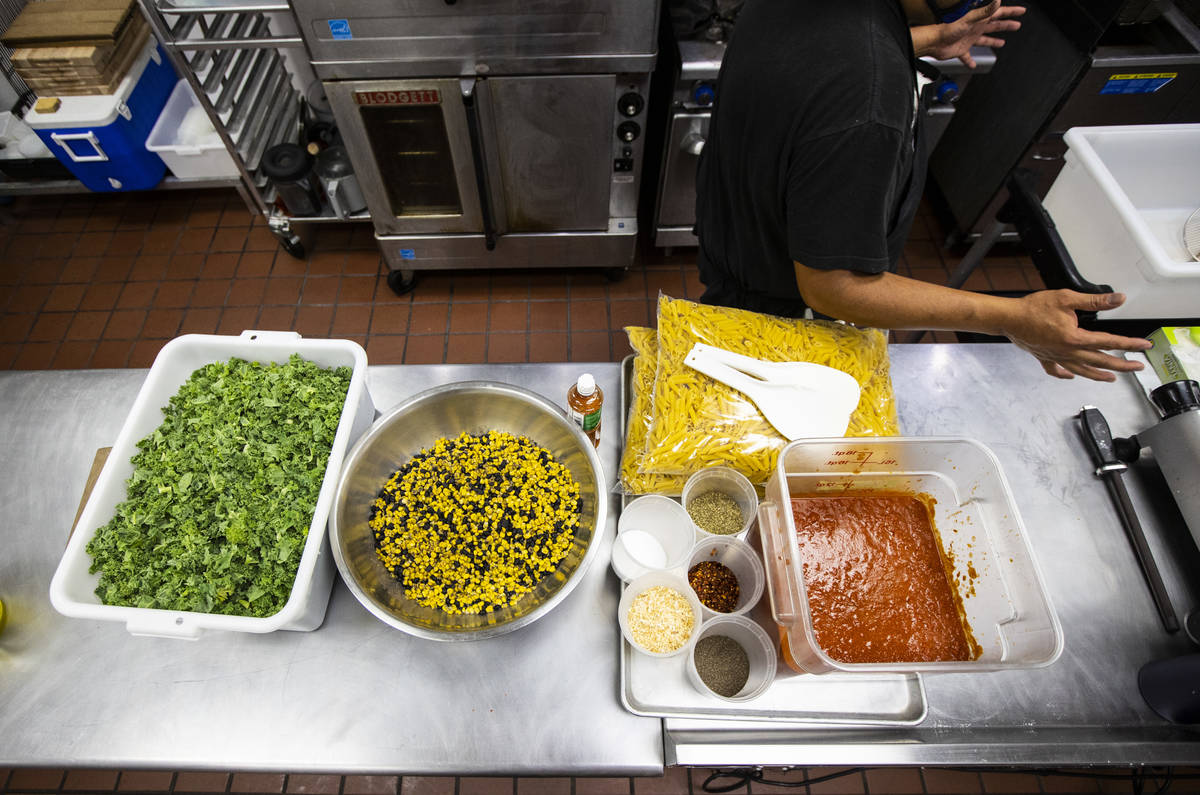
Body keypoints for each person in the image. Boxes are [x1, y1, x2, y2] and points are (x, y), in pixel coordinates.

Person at [693, 0, 1153, 382]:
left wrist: (925, 40)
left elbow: (813, 52)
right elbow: (835, 287)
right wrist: (1014, 319)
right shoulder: (869, 99)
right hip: (781, 325)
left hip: (736, 259)